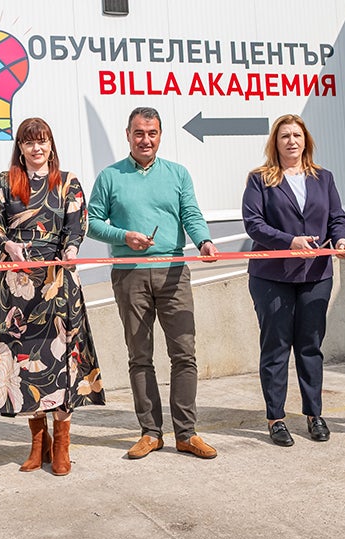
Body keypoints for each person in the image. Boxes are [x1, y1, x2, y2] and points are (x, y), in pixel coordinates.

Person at [88, 107, 219, 460]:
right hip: (129, 274)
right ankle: (150, 432)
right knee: (140, 356)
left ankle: (186, 434)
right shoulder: (110, 177)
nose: (145, 140)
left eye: (152, 133)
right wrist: (124, 236)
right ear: (128, 135)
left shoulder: (177, 174)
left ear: (160, 135)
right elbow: (92, 223)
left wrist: (204, 241)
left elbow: (190, 213)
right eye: (139, 133)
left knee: (184, 354)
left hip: (173, 271)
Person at [0, 117, 105, 476]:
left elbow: (77, 225)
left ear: (51, 145)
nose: (37, 148)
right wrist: (7, 244)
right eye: (29, 142)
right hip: (16, 285)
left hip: (57, 281)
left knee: (61, 359)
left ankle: (62, 443)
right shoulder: (5, 182)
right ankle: (39, 443)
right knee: (24, 361)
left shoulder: (68, 182)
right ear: (20, 148)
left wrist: (71, 250)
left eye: (43, 141)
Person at [241, 114, 345, 447]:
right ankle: (275, 418)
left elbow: (337, 217)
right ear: (275, 143)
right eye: (285, 136)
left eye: (297, 135)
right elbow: (254, 224)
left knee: (310, 346)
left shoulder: (323, 178)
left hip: (315, 275)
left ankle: (314, 414)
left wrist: (341, 240)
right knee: (276, 347)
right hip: (272, 276)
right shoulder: (260, 179)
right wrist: (290, 242)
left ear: (306, 141)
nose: (292, 141)